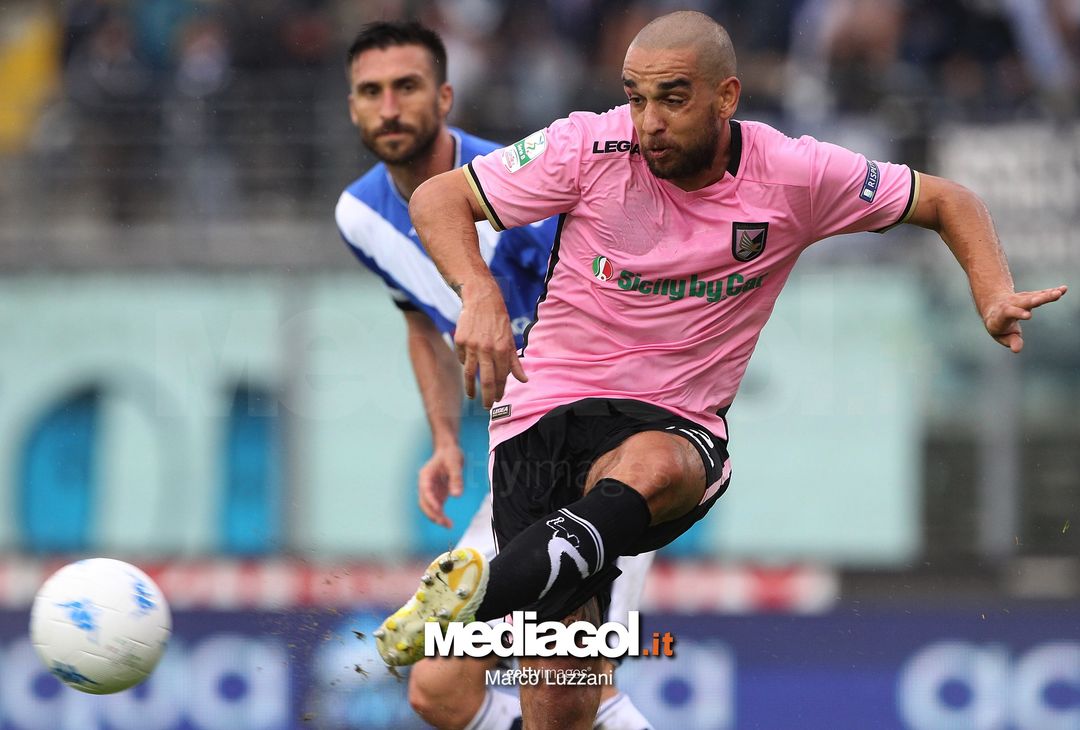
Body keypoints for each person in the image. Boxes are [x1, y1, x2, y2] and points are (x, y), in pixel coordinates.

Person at [373, 9, 1070, 730]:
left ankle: (480, 594)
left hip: (668, 420)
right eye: (636, 96)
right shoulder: (587, 144)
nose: (648, 120)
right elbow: (438, 197)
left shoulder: (794, 173)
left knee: (661, 468)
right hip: (542, 419)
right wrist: (479, 293)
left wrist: (991, 292)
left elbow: (947, 199)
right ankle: (498, 587)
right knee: (564, 714)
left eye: (672, 97)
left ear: (726, 97)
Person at [335, 21, 655, 730]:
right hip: (520, 471)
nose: (390, 106)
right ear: (351, 107)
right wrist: (445, 439)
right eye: (371, 91)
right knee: (438, 690)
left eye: (407, 87)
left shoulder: (521, 184)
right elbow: (420, 319)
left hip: (606, 458)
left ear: (445, 96)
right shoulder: (359, 216)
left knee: (573, 691)